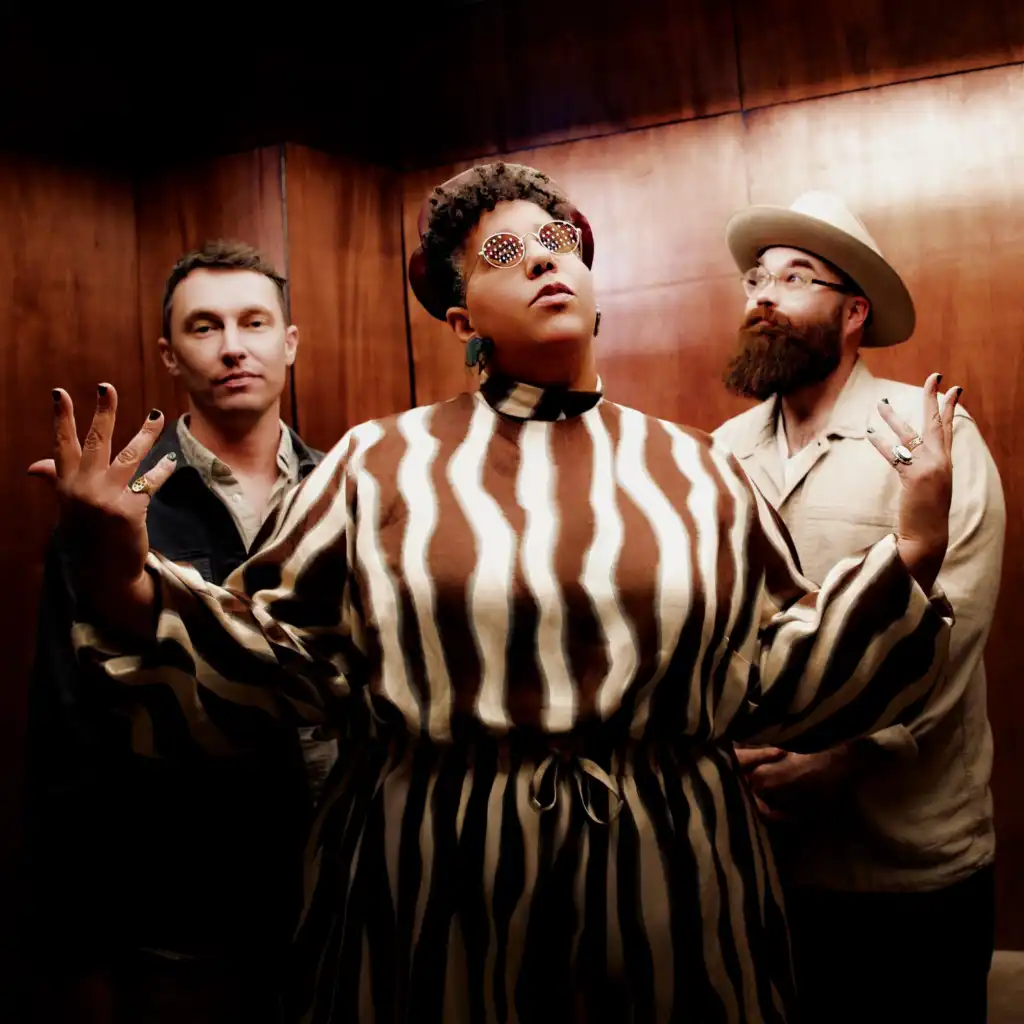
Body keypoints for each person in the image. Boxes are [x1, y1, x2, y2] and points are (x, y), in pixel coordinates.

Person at [33, 163, 961, 1023]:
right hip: (432, 892)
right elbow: (277, 660)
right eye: (505, 253)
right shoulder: (375, 465)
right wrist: (123, 578)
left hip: (673, 893)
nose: (545, 261)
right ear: (461, 318)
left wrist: (914, 550)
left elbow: (779, 672)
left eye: (559, 243)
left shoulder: (699, 469)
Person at [23, 241, 335, 1023]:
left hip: (348, 900)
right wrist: (77, 956)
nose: (232, 346)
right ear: (169, 354)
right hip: (184, 915)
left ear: (289, 342)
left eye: (254, 322)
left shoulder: (348, 491)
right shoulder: (115, 508)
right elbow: (65, 726)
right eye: (204, 326)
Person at [713, 192, 1005, 1024]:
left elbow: (956, 626)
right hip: (764, 856)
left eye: (795, 278)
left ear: (853, 313)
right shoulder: (721, 453)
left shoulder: (930, 431)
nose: (764, 296)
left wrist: (849, 757)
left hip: (909, 862)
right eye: (756, 279)